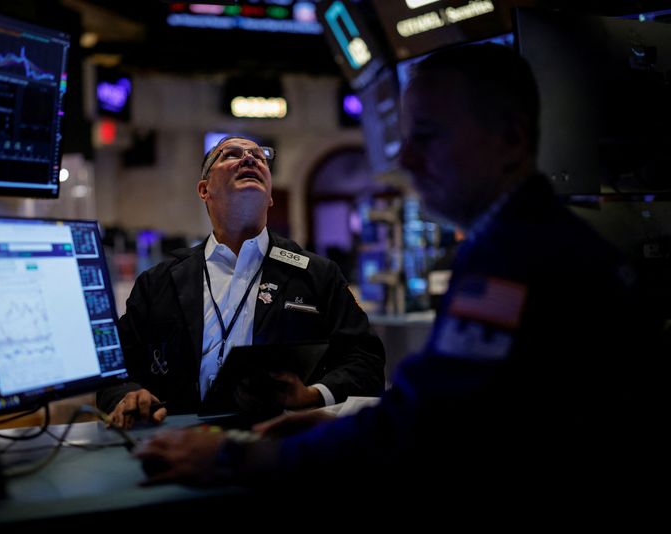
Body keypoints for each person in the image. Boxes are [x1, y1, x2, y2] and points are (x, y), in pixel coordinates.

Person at [134, 44, 663, 502]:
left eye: (427, 136)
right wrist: (334, 423)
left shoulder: (515, 259)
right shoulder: (529, 240)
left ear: (510, 137)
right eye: (405, 138)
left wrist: (235, 459)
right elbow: (449, 412)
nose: (406, 160)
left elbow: (424, 430)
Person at [98, 135, 386, 427]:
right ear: (204, 189)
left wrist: (312, 395)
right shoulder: (158, 282)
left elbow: (366, 362)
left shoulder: (316, 274)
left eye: (260, 157)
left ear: (270, 195)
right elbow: (113, 369)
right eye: (231, 154)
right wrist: (129, 395)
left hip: (279, 447)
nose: (250, 158)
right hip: (179, 443)